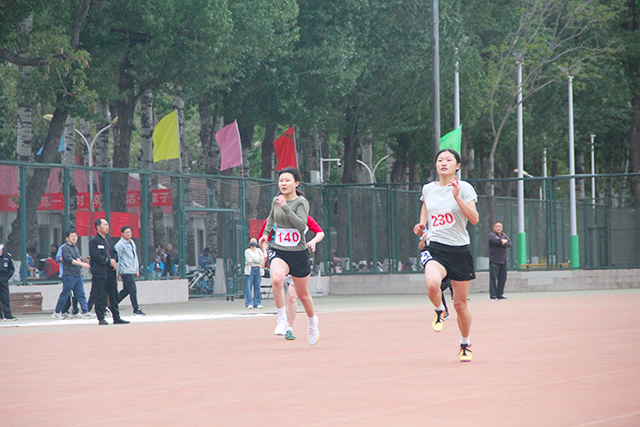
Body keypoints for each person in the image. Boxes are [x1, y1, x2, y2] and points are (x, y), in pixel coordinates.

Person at [413, 149, 479, 362]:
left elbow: (474, 219)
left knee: (460, 305)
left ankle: (465, 343)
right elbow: (426, 206)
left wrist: (457, 198)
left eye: (449, 160)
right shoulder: (429, 189)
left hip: (459, 251)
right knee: (433, 283)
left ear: (457, 166)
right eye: (440, 160)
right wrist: (422, 225)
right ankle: (439, 309)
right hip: (436, 248)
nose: (443, 163)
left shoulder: (464, 188)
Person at [258, 167, 320, 346]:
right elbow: (271, 218)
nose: (283, 184)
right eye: (281, 181)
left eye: (287, 180)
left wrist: (285, 206)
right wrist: (266, 234)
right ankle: (281, 319)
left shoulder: (301, 202)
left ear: (296, 183)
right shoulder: (276, 200)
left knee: (303, 294)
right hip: (279, 250)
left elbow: (301, 225)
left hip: (298, 253)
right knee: (277, 279)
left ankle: (312, 322)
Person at [259, 215, 325, 340]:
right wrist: (265, 252)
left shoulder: (303, 217)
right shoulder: (272, 219)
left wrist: (314, 241)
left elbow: (320, 232)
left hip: (297, 259)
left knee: (292, 296)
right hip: (279, 258)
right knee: (277, 280)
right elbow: (264, 238)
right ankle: (281, 319)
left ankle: (290, 328)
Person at [89, 218, 130, 325]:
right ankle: (101, 317)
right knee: (100, 295)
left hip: (110, 272)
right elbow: (96, 255)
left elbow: (114, 253)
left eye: (107, 225)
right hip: (100, 273)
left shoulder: (109, 240)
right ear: (98, 227)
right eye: (104, 225)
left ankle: (117, 317)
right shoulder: (94, 241)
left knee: (113, 295)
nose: (107, 227)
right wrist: (108, 261)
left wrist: (114, 260)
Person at [52, 230, 95, 320]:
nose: (74, 238)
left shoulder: (75, 248)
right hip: (69, 274)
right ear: (67, 238)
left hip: (77, 274)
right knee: (65, 293)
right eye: (72, 236)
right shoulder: (65, 248)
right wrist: (82, 264)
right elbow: (69, 260)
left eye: (75, 236)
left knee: (81, 294)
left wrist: (82, 260)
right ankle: (57, 312)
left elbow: (77, 259)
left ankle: (85, 311)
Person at [115, 225, 145, 315]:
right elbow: (117, 259)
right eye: (126, 232)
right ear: (122, 234)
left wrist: (136, 269)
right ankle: (136, 309)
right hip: (125, 271)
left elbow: (135, 257)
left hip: (132, 270)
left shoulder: (132, 243)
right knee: (133, 290)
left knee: (126, 290)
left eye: (129, 232)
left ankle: (111, 305)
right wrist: (117, 272)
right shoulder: (119, 245)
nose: (128, 234)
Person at [489, 221, 512, 301]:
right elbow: (496, 241)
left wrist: (502, 241)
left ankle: (500, 295)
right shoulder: (491, 235)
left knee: (502, 278)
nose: (498, 228)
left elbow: (509, 243)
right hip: (494, 260)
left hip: (503, 261)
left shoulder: (504, 235)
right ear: (494, 228)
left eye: (500, 226)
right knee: (493, 278)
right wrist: (502, 241)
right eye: (497, 226)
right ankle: (493, 295)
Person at [244, 238, 263, 309]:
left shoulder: (259, 250)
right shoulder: (247, 251)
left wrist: (253, 258)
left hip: (258, 269)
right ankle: (249, 303)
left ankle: (257, 303)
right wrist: (257, 259)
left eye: (254, 241)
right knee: (249, 287)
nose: (253, 242)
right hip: (250, 270)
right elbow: (249, 261)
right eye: (252, 241)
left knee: (257, 287)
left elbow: (261, 260)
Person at [0, 242, 17, 321]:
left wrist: (6, 277)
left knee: (5, 297)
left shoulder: (7, 257)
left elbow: (11, 268)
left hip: (3, 279)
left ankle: (8, 315)